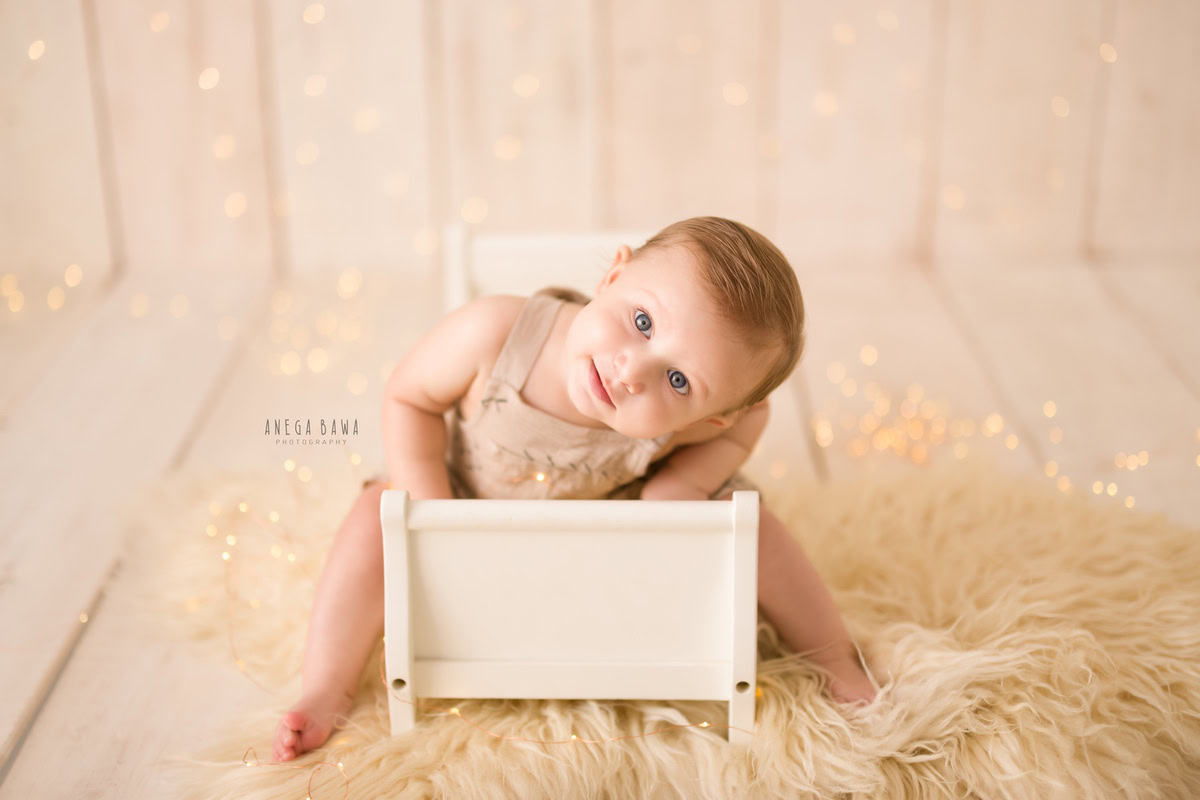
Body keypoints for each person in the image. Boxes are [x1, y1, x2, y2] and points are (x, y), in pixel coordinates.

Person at [273, 216, 876, 762]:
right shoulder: (496, 333)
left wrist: (685, 483)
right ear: (612, 276)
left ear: (709, 417)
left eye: (677, 379)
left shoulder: (715, 420)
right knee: (371, 517)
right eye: (642, 322)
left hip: (607, 518)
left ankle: (834, 659)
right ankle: (327, 684)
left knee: (753, 526)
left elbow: (753, 418)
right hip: (461, 489)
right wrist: (431, 504)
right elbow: (408, 396)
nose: (630, 371)